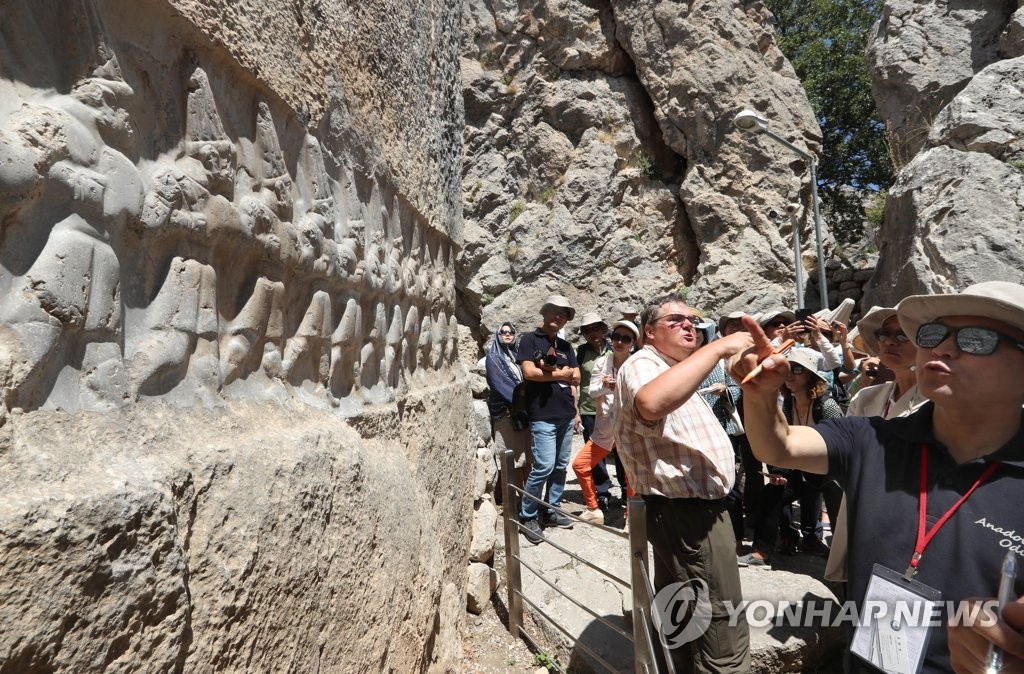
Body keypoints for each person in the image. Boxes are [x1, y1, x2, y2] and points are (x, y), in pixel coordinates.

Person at [734, 281, 1024, 672]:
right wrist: (760, 394)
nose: (942, 348)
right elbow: (779, 446)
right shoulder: (870, 438)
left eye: (976, 339)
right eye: (933, 334)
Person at [614, 294, 753, 673]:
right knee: (720, 626)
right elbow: (652, 403)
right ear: (649, 332)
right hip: (690, 517)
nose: (689, 323)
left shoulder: (673, 367)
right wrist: (721, 346)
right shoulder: (643, 362)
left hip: (695, 514)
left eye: (693, 318)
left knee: (688, 617)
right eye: (675, 319)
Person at [740, 348, 841, 567]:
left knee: (825, 493)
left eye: (797, 369)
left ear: (811, 376)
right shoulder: (788, 403)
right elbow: (782, 440)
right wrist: (778, 472)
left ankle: (821, 543)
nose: (790, 375)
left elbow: (840, 445)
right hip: (800, 467)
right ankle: (762, 552)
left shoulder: (826, 404)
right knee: (771, 491)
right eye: (788, 369)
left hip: (828, 470)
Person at [516, 295, 581, 544]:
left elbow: (576, 378)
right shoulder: (530, 340)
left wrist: (575, 411)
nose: (558, 317)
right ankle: (528, 515)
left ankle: (550, 509)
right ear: (544, 313)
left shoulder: (566, 347)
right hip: (542, 415)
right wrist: (559, 374)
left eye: (563, 314)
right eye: (554, 311)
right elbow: (530, 373)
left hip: (565, 413)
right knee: (543, 466)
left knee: (560, 466)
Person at [571, 320, 638, 524]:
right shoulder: (602, 362)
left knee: (631, 474)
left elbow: (641, 395)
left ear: (633, 343)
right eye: (616, 337)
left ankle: (632, 517)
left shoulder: (636, 364)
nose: (620, 342)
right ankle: (594, 508)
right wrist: (606, 387)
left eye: (626, 339)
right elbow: (591, 391)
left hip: (629, 426)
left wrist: (617, 387)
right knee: (580, 465)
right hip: (605, 427)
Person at [484, 322, 531, 492]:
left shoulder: (517, 356)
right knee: (514, 459)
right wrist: (522, 401)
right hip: (507, 413)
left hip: (523, 413)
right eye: (503, 332)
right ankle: (517, 501)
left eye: (511, 331)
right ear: (498, 335)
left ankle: (530, 500)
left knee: (527, 456)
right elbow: (500, 384)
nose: (507, 334)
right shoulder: (493, 357)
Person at [575, 312, 614, 506]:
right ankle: (602, 491)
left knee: (621, 452)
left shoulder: (616, 349)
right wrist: (576, 411)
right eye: (587, 330)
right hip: (589, 408)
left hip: (614, 409)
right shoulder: (580, 353)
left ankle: (627, 490)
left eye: (595, 328)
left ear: (603, 329)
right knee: (595, 454)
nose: (592, 333)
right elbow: (575, 381)